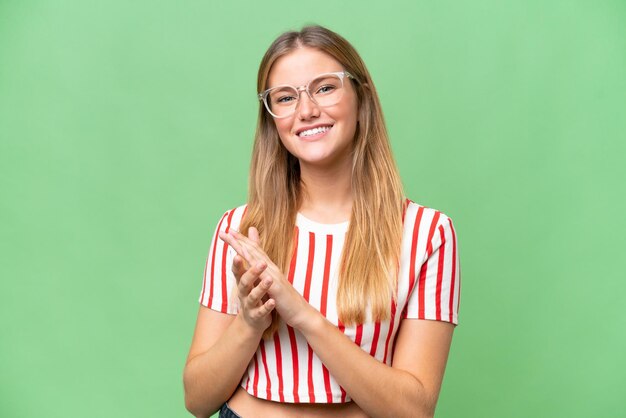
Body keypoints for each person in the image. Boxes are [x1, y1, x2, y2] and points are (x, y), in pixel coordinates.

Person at [183, 24, 461, 418]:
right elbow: (197, 399)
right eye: (285, 97)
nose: (307, 110)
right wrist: (249, 322)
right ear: (273, 121)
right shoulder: (241, 228)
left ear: (361, 97)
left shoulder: (427, 233)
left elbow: (413, 410)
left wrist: (302, 315)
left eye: (325, 87)